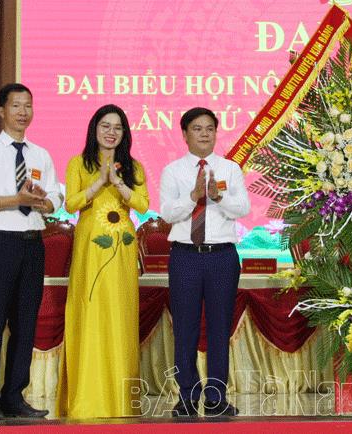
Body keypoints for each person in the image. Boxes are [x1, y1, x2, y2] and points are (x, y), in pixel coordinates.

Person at [0, 83, 62, 420]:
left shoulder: (41, 154)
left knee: (25, 323)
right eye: (16, 105)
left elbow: (56, 197)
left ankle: (14, 396)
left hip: (32, 243)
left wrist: (43, 201)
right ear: (1, 111)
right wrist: (16, 200)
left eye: (28, 106)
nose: (23, 112)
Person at [55, 104, 149, 418]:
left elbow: (143, 204)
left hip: (122, 248)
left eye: (117, 127)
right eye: (105, 126)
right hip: (90, 247)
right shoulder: (78, 163)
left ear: (125, 133)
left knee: (120, 315)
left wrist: (118, 183)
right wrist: (98, 182)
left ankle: (121, 400)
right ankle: (88, 397)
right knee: (90, 312)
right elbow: (71, 204)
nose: (111, 132)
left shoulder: (133, 167)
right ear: (94, 129)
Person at [160, 107, 250, 417]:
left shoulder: (230, 169)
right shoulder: (173, 171)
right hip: (185, 256)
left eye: (209, 128)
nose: (204, 134)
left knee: (219, 328)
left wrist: (218, 197)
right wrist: (194, 196)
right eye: (197, 128)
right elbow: (167, 213)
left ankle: (215, 397)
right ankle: (187, 396)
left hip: (222, 256)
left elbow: (243, 208)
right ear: (185, 134)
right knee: (184, 329)